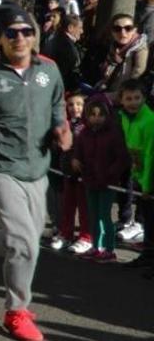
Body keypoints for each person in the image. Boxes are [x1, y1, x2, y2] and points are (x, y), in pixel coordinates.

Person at [0, 4, 72, 341]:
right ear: (0, 41)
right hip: (1, 168)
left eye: (26, 32)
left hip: (37, 167)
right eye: (11, 33)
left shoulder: (49, 70)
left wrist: (61, 128)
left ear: (35, 37)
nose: (19, 38)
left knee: (25, 241)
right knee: (24, 245)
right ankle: (16, 311)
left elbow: (57, 105)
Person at [71, 99, 130, 262]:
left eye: (100, 115)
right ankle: (95, 246)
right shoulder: (84, 133)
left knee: (105, 216)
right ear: (87, 116)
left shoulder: (114, 132)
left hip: (107, 182)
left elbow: (122, 158)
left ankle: (109, 249)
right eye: (93, 115)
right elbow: (79, 151)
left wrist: (111, 174)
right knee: (93, 215)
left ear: (107, 115)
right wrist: (76, 159)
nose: (96, 118)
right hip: (90, 179)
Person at [116, 80, 154, 273]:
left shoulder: (149, 121)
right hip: (141, 174)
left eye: (137, 98)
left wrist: (147, 185)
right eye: (128, 98)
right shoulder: (124, 117)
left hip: (151, 175)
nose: (133, 102)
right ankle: (147, 255)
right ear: (121, 100)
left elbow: (150, 154)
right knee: (148, 217)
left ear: (144, 98)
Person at [51, 92, 93, 254]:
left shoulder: (88, 125)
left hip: (84, 173)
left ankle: (85, 237)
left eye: (79, 104)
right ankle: (66, 234)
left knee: (84, 207)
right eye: (70, 104)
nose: (75, 108)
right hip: (68, 172)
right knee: (67, 206)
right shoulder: (66, 124)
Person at [98, 14, 149, 102]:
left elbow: (135, 80)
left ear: (134, 30)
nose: (123, 33)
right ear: (112, 32)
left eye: (128, 28)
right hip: (110, 90)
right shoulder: (112, 47)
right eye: (117, 29)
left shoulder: (139, 50)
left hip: (128, 99)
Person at [43, 14, 84, 93]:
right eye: (80, 28)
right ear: (70, 28)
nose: (82, 31)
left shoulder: (56, 38)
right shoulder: (66, 47)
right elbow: (64, 72)